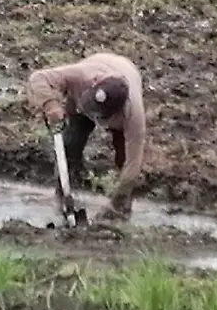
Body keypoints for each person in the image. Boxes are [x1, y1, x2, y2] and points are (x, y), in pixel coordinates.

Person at [26, 52, 146, 222]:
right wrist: (51, 105)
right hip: (83, 94)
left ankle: (122, 207)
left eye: (99, 116)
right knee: (70, 145)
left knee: (123, 157)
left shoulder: (133, 115)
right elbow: (38, 78)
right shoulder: (80, 75)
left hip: (127, 72)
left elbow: (133, 165)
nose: (94, 118)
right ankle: (64, 195)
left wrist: (114, 206)